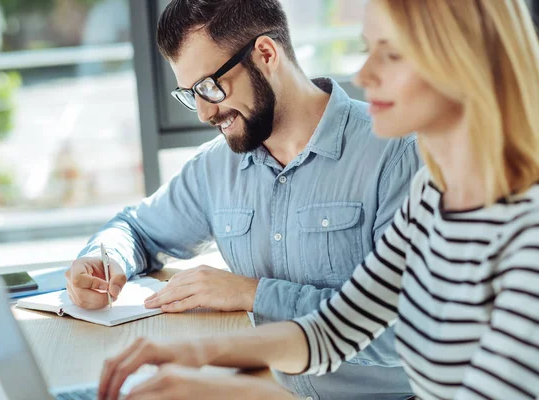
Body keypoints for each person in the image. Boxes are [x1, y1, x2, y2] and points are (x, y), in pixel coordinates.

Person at [95, 0, 539, 399]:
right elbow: (335, 331)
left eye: (392, 53)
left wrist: (235, 393)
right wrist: (200, 351)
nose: (363, 76)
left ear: (463, 65)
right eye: (368, 50)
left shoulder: (525, 235)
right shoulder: (433, 197)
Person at [65, 0, 421, 399]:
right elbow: (136, 228)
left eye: (209, 87)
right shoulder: (218, 168)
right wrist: (104, 259)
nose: (202, 113)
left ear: (266, 54)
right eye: (190, 94)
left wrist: (253, 293)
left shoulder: (396, 156)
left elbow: (405, 332)